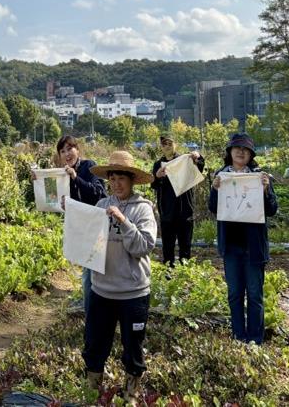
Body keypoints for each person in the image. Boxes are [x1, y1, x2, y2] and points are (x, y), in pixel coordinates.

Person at [83, 151, 157, 401]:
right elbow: (88, 242)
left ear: (132, 180)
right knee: (95, 343)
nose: (116, 184)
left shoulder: (143, 209)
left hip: (133, 292)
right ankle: (93, 390)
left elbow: (143, 247)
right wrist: (74, 217)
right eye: (112, 179)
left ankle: (131, 393)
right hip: (102, 289)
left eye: (121, 179)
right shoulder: (101, 206)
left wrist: (124, 221)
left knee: (133, 346)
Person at [208, 133, 277, 345]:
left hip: (254, 247)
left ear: (251, 154)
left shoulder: (258, 176)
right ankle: (238, 337)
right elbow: (213, 208)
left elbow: (272, 209)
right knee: (235, 294)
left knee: (255, 295)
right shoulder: (221, 176)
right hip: (231, 246)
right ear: (229, 152)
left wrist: (266, 190)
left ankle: (255, 340)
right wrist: (214, 190)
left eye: (245, 149)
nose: (240, 151)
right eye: (236, 148)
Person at [34, 135, 106, 313]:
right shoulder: (61, 176)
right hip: (80, 228)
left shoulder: (89, 166)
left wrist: (76, 178)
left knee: (92, 274)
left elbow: (98, 193)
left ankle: (92, 314)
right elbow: (52, 200)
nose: (67, 154)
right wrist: (39, 181)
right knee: (89, 273)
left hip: (98, 227)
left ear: (77, 150)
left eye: (69, 149)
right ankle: (92, 311)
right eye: (62, 151)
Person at [151, 135, 205, 266]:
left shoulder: (185, 160)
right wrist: (157, 177)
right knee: (167, 246)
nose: (167, 146)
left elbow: (199, 168)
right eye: (164, 144)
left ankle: (185, 272)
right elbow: (154, 185)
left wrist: (198, 157)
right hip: (167, 211)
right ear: (161, 147)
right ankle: (168, 271)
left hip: (184, 210)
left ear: (175, 145)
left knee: (185, 245)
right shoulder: (158, 164)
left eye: (170, 143)